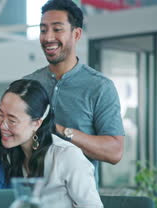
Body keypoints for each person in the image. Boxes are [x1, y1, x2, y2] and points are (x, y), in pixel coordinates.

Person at [0, 79, 115, 208]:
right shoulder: (11, 154)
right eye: (0, 114)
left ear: (36, 123)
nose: (2, 125)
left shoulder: (66, 156)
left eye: (12, 120)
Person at [24, 0, 125, 182]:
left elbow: (115, 151)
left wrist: (62, 131)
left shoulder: (100, 87)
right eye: (43, 29)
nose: (48, 37)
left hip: (78, 203)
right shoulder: (28, 83)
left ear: (76, 34)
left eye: (57, 29)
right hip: (32, 197)